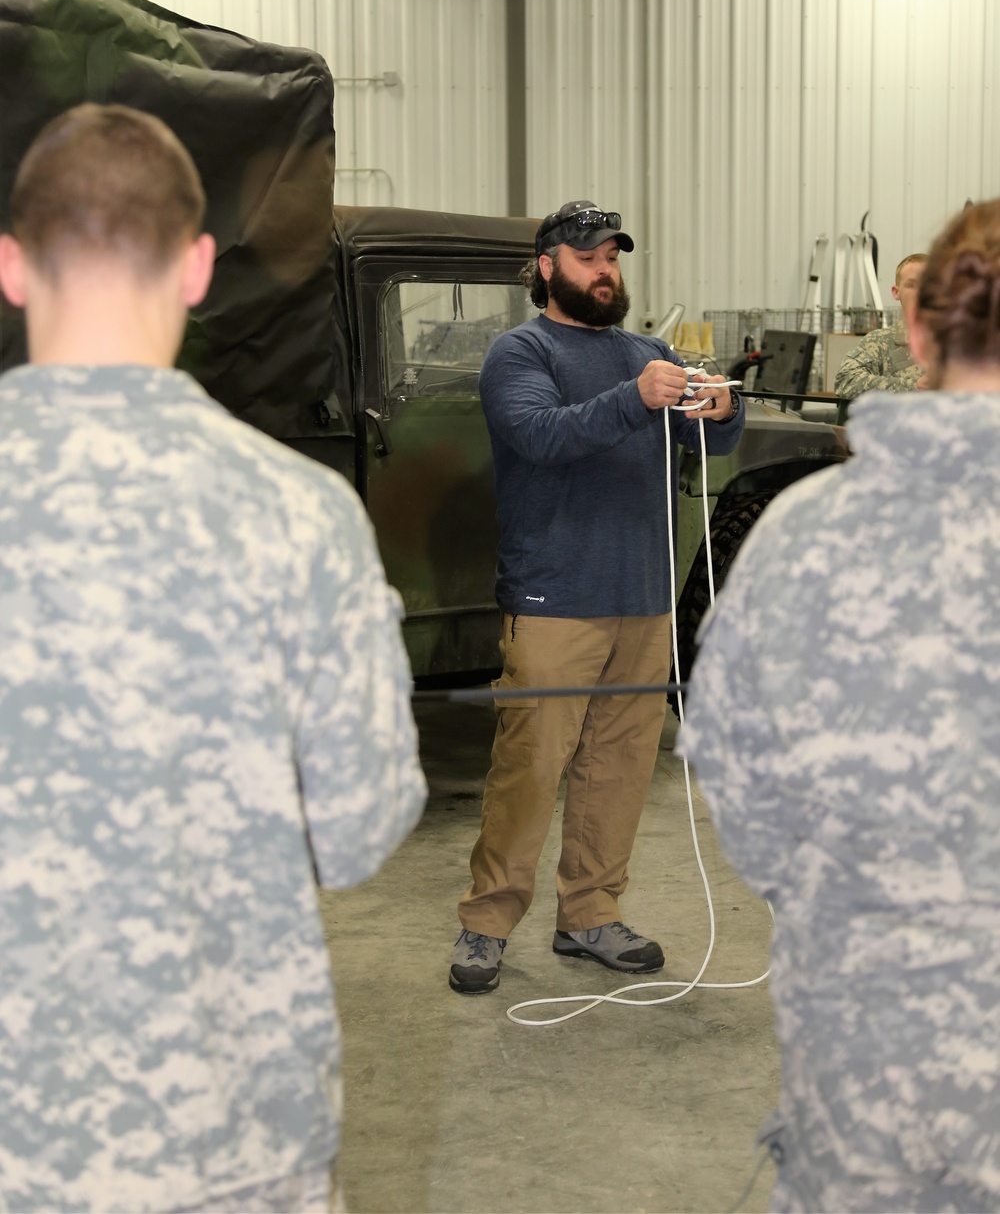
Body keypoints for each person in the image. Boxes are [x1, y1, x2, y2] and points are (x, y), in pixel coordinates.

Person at [0, 104, 427, 1213]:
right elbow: (359, 830)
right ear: (197, 268)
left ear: (9, 264)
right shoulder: (296, 516)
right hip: (228, 1133)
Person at [680, 199, 1000, 1212]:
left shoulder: (802, 536)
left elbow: (738, 785)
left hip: (861, 1065)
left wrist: (850, 900)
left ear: (912, 330)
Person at [449, 199, 745, 994]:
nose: (605, 270)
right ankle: (485, 923)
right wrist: (634, 398)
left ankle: (589, 915)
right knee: (531, 768)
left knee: (617, 769)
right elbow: (542, 435)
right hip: (555, 601)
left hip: (641, 601)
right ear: (548, 268)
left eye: (612, 257)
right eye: (588, 258)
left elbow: (702, 437)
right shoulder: (519, 353)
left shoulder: (646, 350)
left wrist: (722, 410)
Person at [834, 252, 927, 398]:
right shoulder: (880, 342)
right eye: (911, 285)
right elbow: (846, 381)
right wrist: (912, 387)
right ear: (896, 292)